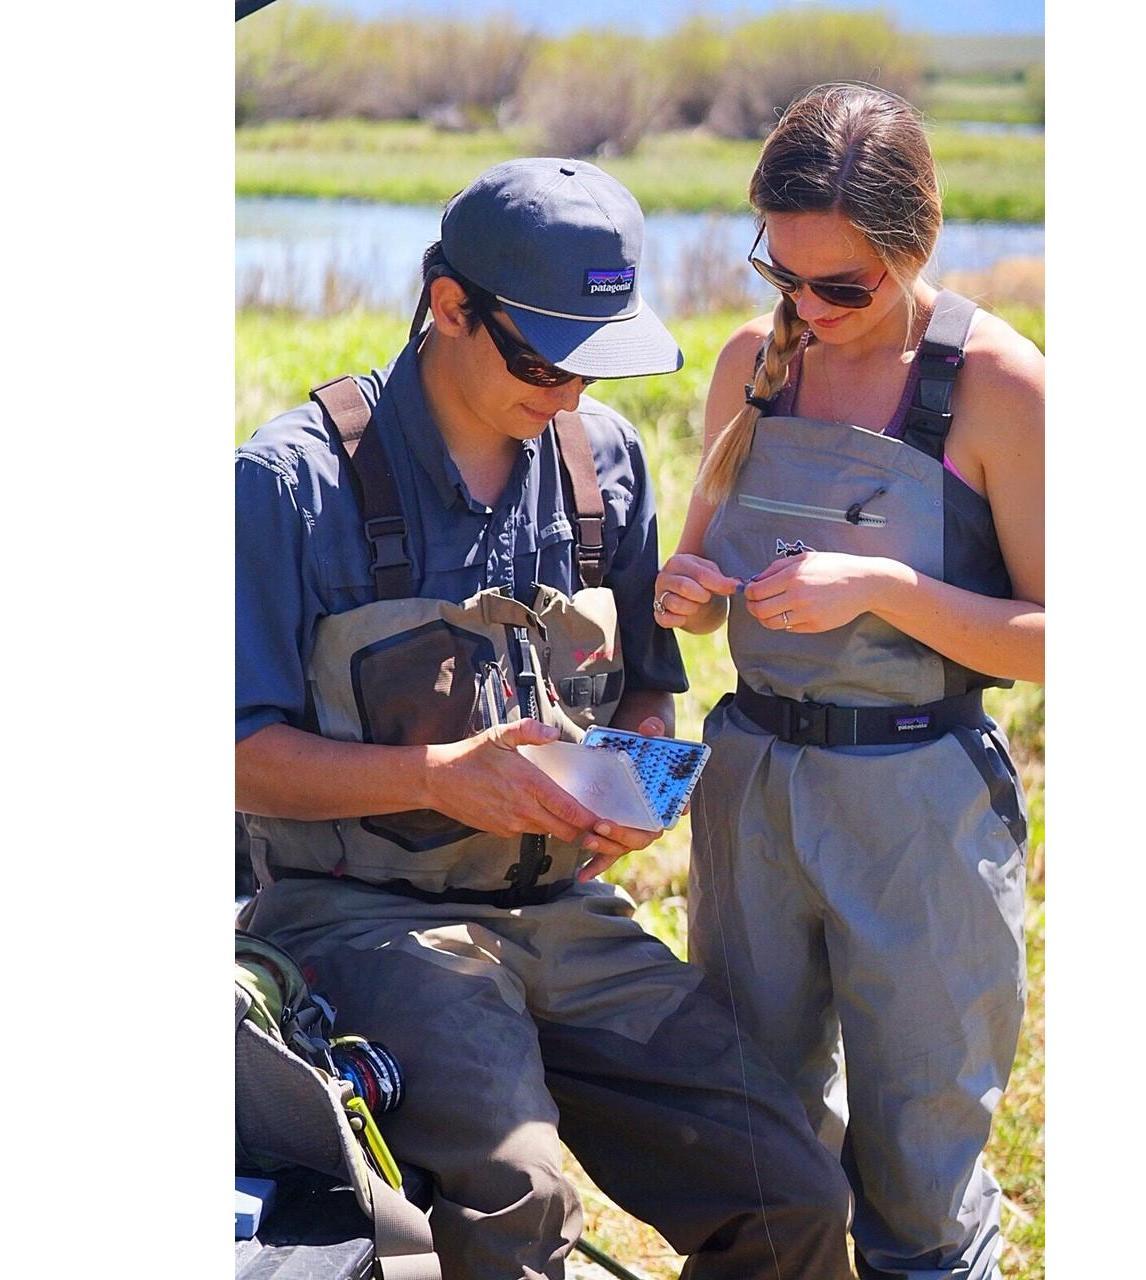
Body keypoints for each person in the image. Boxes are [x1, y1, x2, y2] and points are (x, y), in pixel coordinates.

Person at [235, 157, 854, 1280]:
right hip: (357, 920)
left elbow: (646, 688)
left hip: (566, 910)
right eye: (541, 359)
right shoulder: (287, 484)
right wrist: (435, 775)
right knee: (521, 1193)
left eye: (593, 361)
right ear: (447, 304)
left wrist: (640, 782)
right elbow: (234, 760)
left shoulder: (605, 459)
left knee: (793, 1189)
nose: (568, 391)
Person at [652, 84, 1044, 1280]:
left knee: (918, 1179)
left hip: (916, 812)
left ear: (915, 244)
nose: (808, 312)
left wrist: (877, 587)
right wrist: (691, 590)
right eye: (785, 276)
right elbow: (712, 575)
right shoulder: (749, 367)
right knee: (755, 1145)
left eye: (843, 287)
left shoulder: (1000, 387)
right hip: (751, 793)